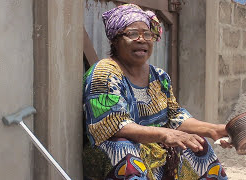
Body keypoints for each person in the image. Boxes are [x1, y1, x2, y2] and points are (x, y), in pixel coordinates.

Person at [83, 4, 231, 180]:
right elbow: (115, 125)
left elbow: (175, 117)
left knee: (197, 144)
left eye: (147, 34)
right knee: (123, 149)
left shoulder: (159, 76)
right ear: (115, 40)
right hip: (116, 154)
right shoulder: (104, 73)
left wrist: (214, 129)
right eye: (132, 34)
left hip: (154, 146)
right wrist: (165, 134)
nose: (142, 39)